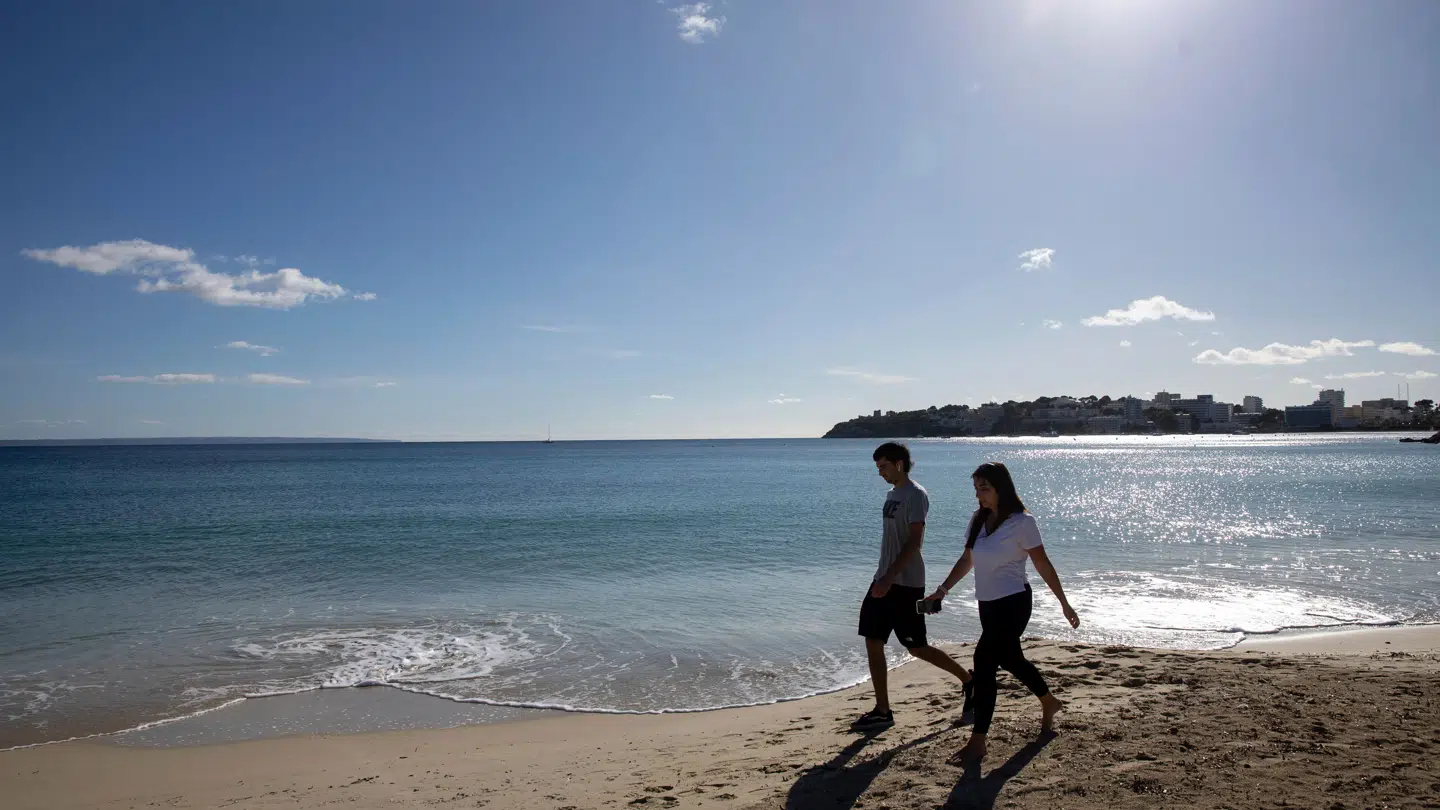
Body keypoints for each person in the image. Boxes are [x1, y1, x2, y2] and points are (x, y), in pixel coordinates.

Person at [927, 461, 1080, 761]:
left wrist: (1064, 602)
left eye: (984, 488)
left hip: (1014, 603)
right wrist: (942, 590)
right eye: (976, 488)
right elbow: (967, 560)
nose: (978, 494)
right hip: (988, 605)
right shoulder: (977, 519)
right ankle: (1049, 702)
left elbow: (1042, 564)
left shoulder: (1022, 522)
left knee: (983, 662)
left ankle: (978, 741)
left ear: (1001, 487)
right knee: (1011, 659)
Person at [853, 442, 975, 730]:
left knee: (917, 647)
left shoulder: (915, 495)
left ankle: (970, 681)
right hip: (882, 579)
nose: (880, 472)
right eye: (877, 467)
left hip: (905, 584)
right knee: (872, 640)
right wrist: (881, 577)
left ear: (898, 463)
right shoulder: (892, 494)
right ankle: (883, 710)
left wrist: (889, 578)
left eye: (883, 466)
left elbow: (914, 542)